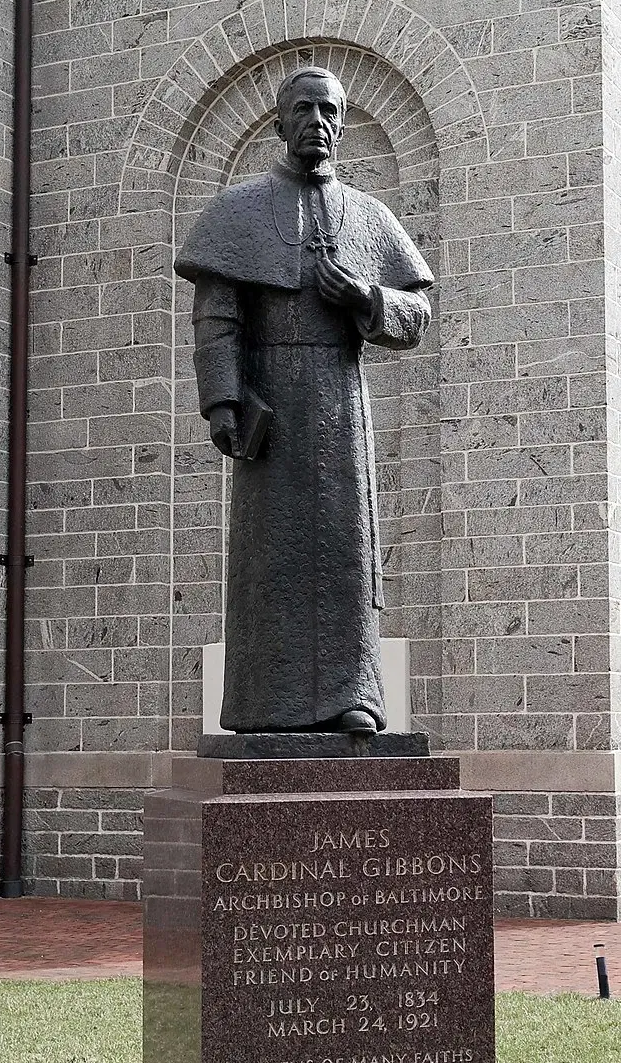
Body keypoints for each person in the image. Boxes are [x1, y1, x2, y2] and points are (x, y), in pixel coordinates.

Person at [175, 66, 433, 733]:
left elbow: (417, 312)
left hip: (341, 403)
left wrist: (367, 298)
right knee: (272, 562)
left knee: (345, 558)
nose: (318, 122)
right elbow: (217, 315)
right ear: (279, 120)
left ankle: (355, 697)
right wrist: (223, 401)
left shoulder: (370, 218)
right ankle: (267, 705)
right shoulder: (238, 211)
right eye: (305, 110)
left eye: (330, 112)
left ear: (341, 125)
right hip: (275, 411)